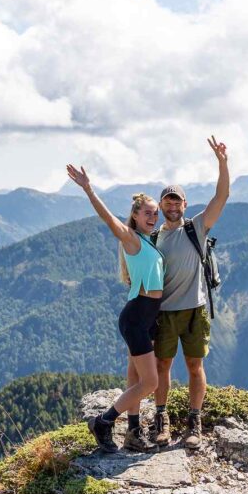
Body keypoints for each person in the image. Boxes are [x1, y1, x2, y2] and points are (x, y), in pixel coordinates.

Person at [66, 163, 164, 453]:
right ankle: (104, 421)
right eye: (147, 212)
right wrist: (88, 188)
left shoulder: (148, 242)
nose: (153, 217)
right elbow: (109, 219)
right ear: (134, 216)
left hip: (146, 317)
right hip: (136, 317)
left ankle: (133, 431)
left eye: (155, 213)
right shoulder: (132, 239)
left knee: (135, 377)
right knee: (150, 382)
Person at [152, 136, 230, 450]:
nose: (172, 205)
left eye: (177, 201)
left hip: (195, 309)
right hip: (165, 312)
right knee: (162, 368)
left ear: (185, 205)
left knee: (195, 367)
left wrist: (222, 163)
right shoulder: (153, 237)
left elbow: (221, 196)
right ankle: (162, 419)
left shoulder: (195, 227)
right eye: (167, 201)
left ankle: (194, 422)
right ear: (160, 205)